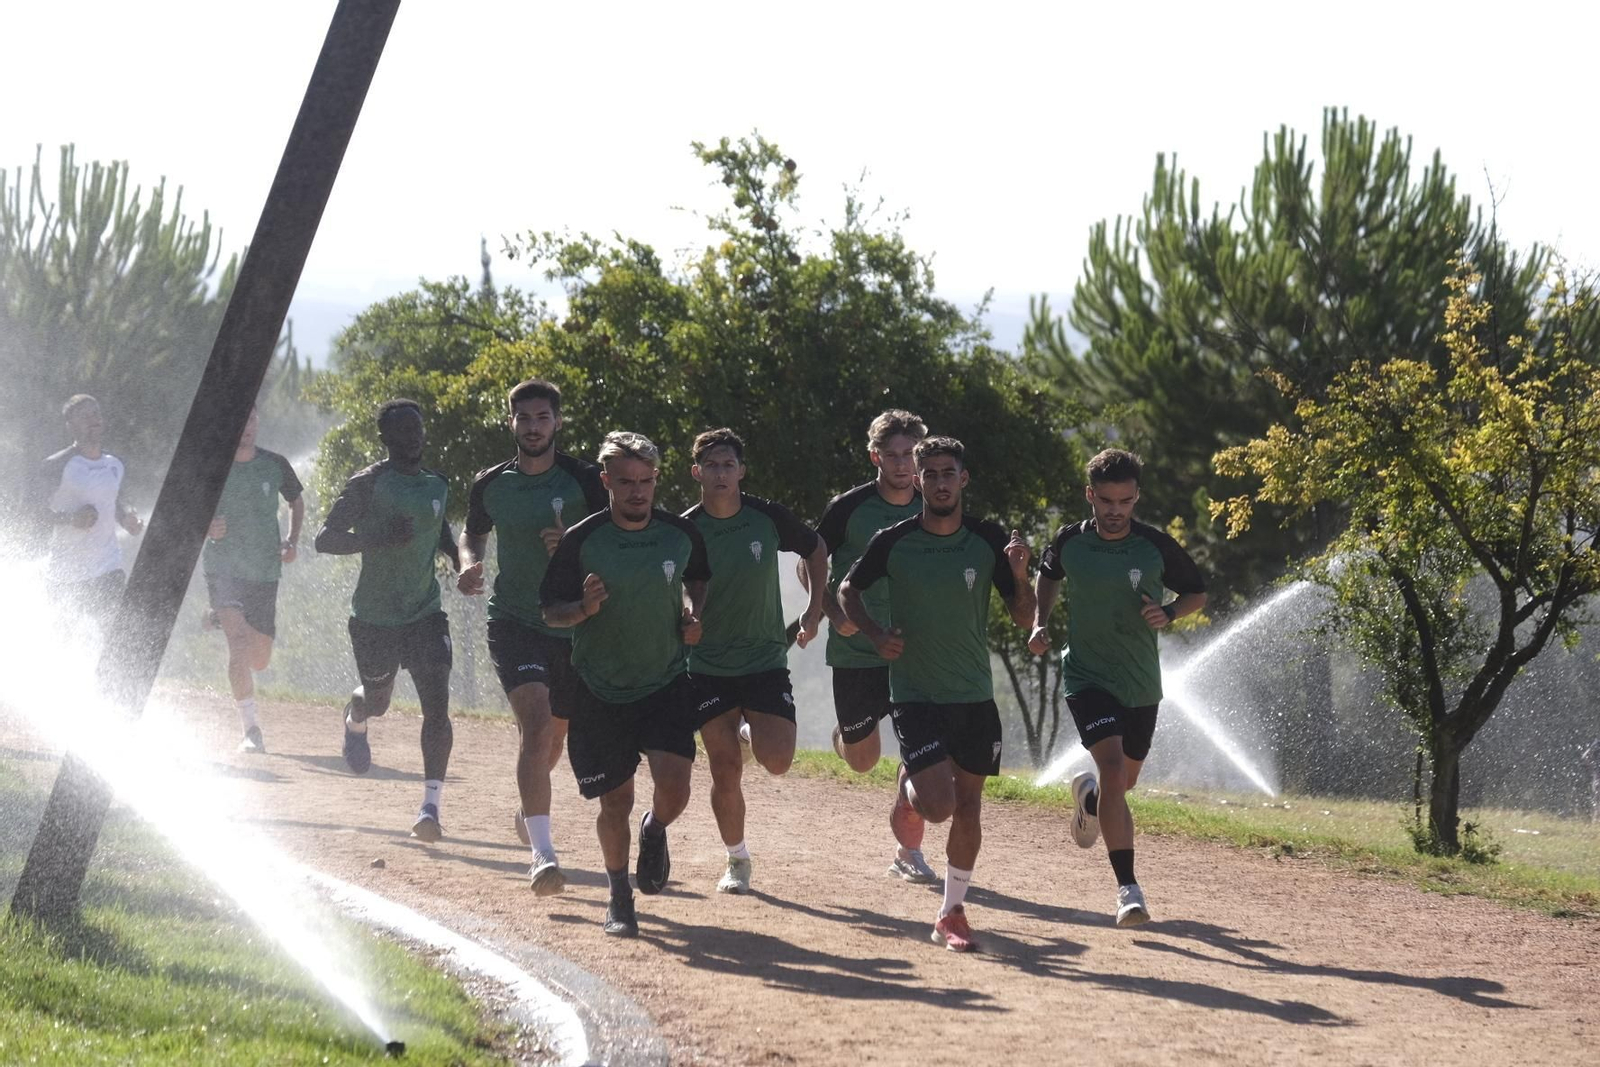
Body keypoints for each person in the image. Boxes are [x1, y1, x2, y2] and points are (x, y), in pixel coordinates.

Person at [840, 436, 1035, 952]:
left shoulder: (987, 539)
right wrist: (876, 634)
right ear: (918, 480)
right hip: (915, 693)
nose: (941, 482)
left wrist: (1019, 576)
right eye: (931, 473)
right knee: (939, 805)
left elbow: (1023, 615)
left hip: (973, 696)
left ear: (963, 478)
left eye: (949, 472)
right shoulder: (893, 539)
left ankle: (951, 912)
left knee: (968, 806)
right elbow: (847, 590)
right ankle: (911, 781)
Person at [540, 431, 710, 938]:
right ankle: (619, 894)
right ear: (606, 481)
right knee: (615, 802)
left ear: (656, 481)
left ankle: (655, 830)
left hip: (664, 681)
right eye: (626, 482)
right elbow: (551, 611)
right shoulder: (582, 540)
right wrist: (585, 609)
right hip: (599, 688)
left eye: (646, 482)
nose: (637, 492)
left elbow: (698, 578)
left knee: (675, 787)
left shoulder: (680, 534)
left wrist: (694, 614)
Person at [1029, 448, 1206, 927]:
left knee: (1121, 784)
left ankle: (1088, 801)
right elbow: (1047, 576)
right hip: (1086, 675)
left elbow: (1198, 591)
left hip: (1141, 683)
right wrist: (1039, 623)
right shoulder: (1070, 541)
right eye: (1105, 501)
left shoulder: (1154, 545)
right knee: (1111, 767)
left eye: (1124, 502)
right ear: (1090, 495)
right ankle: (1129, 890)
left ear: (1136, 499)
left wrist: (1169, 612)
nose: (1114, 511)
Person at [459, 379, 607, 895]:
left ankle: (529, 810)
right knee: (538, 726)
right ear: (511, 423)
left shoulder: (587, 480)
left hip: (572, 623)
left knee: (552, 741)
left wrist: (572, 546)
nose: (533, 427)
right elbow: (472, 531)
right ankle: (543, 855)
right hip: (515, 621)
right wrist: (468, 562)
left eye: (543, 417)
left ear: (557, 422)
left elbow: (616, 540)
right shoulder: (491, 483)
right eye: (524, 418)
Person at [682, 428, 827, 894]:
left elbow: (816, 548)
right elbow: (672, 585)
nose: (721, 474)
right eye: (711, 465)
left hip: (764, 658)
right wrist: (685, 617)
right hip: (706, 665)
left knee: (779, 760)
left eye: (729, 465)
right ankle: (737, 861)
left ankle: (749, 732)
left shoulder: (767, 518)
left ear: (742, 471)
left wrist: (815, 606)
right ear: (696, 472)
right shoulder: (684, 529)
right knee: (724, 768)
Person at [314, 399, 461, 842]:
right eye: (402, 430)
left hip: (425, 613)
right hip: (375, 619)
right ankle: (355, 718)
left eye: (417, 428)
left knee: (437, 705)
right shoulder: (368, 483)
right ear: (386, 439)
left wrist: (457, 558)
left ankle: (430, 808)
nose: (413, 436)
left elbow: (439, 528)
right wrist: (378, 537)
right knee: (378, 699)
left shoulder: (437, 483)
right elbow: (325, 540)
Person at [811, 409, 938, 883]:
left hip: (916, 650)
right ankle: (846, 738)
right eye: (893, 455)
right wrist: (833, 613)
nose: (904, 464)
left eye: (911, 455)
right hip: (856, 649)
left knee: (920, 756)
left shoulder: (935, 504)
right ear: (875, 457)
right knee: (863, 761)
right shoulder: (848, 508)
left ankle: (909, 852)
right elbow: (812, 564)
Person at [201, 405, 304, 754]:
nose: (245, 426)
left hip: (263, 571)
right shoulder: (213, 466)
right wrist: (207, 526)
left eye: (251, 419)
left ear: (258, 423)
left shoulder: (275, 464)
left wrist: (292, 540)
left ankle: (218, 616)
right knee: (239, 644)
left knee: (260, 659)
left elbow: (295, 500)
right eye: (239, 419)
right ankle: (251, 730)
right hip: (223, 568)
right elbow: (190, 512)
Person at [36, 394, 143, 626]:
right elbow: (34, 514)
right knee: (64, 642)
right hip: (66, 572)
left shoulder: (114, 464)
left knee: (115, 633)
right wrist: (70, 519)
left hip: (107, 567)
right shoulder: (56, 465)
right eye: (84, 416)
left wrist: (127, 517)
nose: (92, 419)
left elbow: (115, 500)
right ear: (70, 425)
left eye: (95, 413)